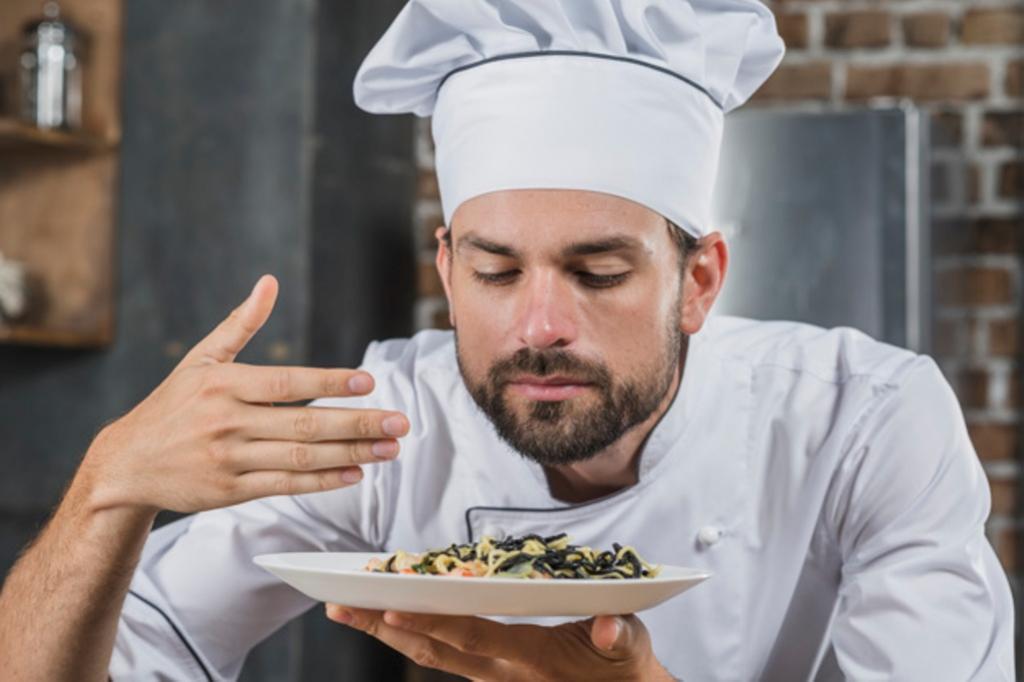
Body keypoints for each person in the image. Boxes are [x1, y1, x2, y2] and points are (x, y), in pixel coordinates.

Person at [0, 1, 1014, 680]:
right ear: (446, 270)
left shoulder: (865, 422)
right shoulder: (385, 427)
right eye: (494, 270)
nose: (537, 328)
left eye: (597, 270)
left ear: (697, 280)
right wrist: (107, 485)